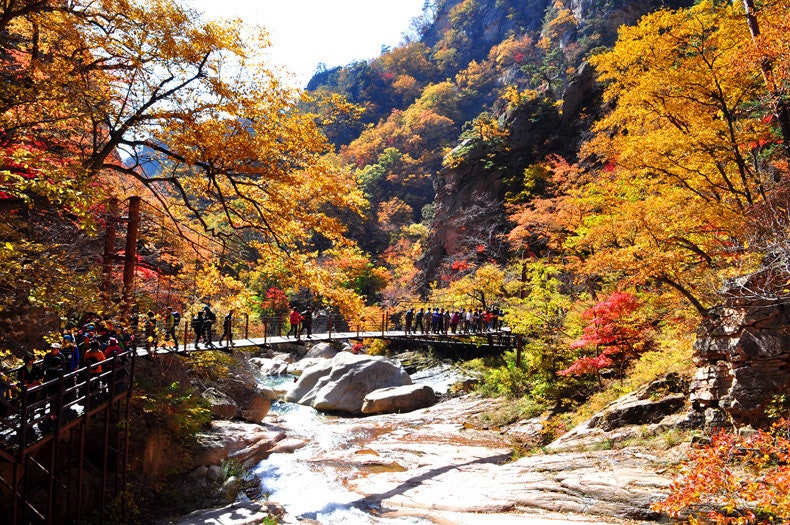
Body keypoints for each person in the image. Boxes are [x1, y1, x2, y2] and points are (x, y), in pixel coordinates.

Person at [42, 343, 65, 418]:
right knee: (44, 392)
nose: (52, 350)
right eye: (51, 348)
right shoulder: (47, 356)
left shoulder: (61, 357)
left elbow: (63, 368)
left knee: (54, 395)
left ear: (57, 349)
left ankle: (54, 412)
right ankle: (42, 409)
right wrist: (43, 374)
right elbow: (44, 366)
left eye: (54, 349)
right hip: (48, 376)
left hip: (56, 378)